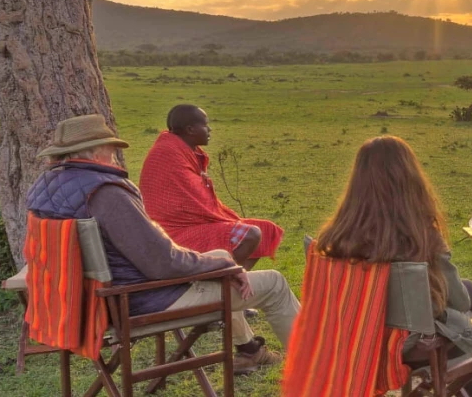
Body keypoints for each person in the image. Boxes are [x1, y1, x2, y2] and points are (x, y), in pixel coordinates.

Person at [25, 114, 299, 374]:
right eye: (110, 149)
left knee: (218, 254)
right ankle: (313, 370)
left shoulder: (44, 186)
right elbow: (163, 263)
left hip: (84, 300)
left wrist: (219, 260)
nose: (113, 156)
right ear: (96, 151)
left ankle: (248, 350)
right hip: (142, 300)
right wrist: (227, 265)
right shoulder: (106, 192)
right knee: (274, 284)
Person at [307, 136, 472, 397]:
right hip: (416, 349)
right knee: (468, 330)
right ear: (409, 179)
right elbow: (459, 301)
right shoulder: (419, 235)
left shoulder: (334, 239)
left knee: (467, 293)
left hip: (359, 347)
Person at [139, 105, 283, 270]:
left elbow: (190, 190)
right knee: (251, 234)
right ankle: (226, 282)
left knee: (266, 230)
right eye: (205, 125)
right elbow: (189, 199)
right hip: (172, 231)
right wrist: (204, 184)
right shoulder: (167, 152)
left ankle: (235, 279)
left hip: (190, 223)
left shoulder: (182, 149)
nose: (210, 129)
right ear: (190, 129)